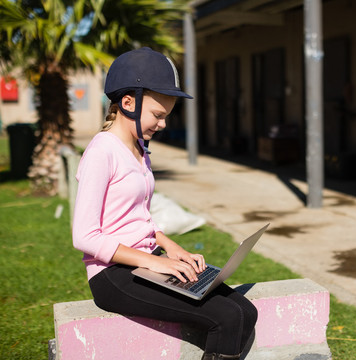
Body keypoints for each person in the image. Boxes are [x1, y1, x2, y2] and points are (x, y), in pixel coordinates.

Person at [72, 47, 257, 360]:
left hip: (144, 262)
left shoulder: (139, 149)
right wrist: (155, 262)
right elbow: (85, 236)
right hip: (113, 276)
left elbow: (136, 218)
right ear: (128, 103)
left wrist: (172, 248)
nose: (162, 125)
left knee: (245, 311)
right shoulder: (101, 152)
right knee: (228, 318)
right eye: (158, 115)